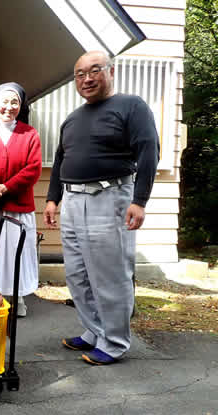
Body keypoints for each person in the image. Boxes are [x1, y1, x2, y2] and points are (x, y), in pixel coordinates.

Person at [44, 50, 159, 365]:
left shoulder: (131, 106)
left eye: (94, 70)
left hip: (110, 199)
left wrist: (140, 200)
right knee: (78, 275)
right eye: (80, 74)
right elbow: (60, 160)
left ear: (111, 71)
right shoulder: (73, 118)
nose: (87, 78)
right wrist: (53, 198)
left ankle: (115, 343)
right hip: (72, 201)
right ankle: (95, 331)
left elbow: (149, 151)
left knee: (109, 275)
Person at [0, 82, 42, 317]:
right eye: (5, 101)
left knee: (15, 251)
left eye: (14, 102)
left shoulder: (29, 134)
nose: (9, 107)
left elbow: (33, 168)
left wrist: (7, 187)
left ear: (20, 106)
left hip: (17, 205)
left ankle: (17, 295)